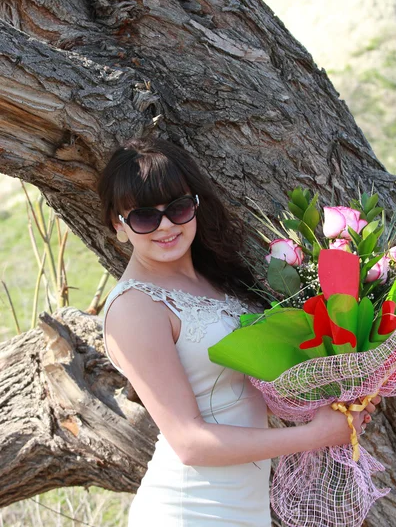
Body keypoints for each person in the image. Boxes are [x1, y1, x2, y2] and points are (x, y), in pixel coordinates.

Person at [98, 137, 378, 526]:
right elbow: (189, 442)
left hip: (244, 508)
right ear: (119, 225)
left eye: (178, 209)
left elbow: (248, 388)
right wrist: (317, 435)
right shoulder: (135, 308)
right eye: (145, 217)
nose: (165, 226)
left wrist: (343, 395)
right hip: (190, 510)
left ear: (194, 208)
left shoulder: (217, 281)